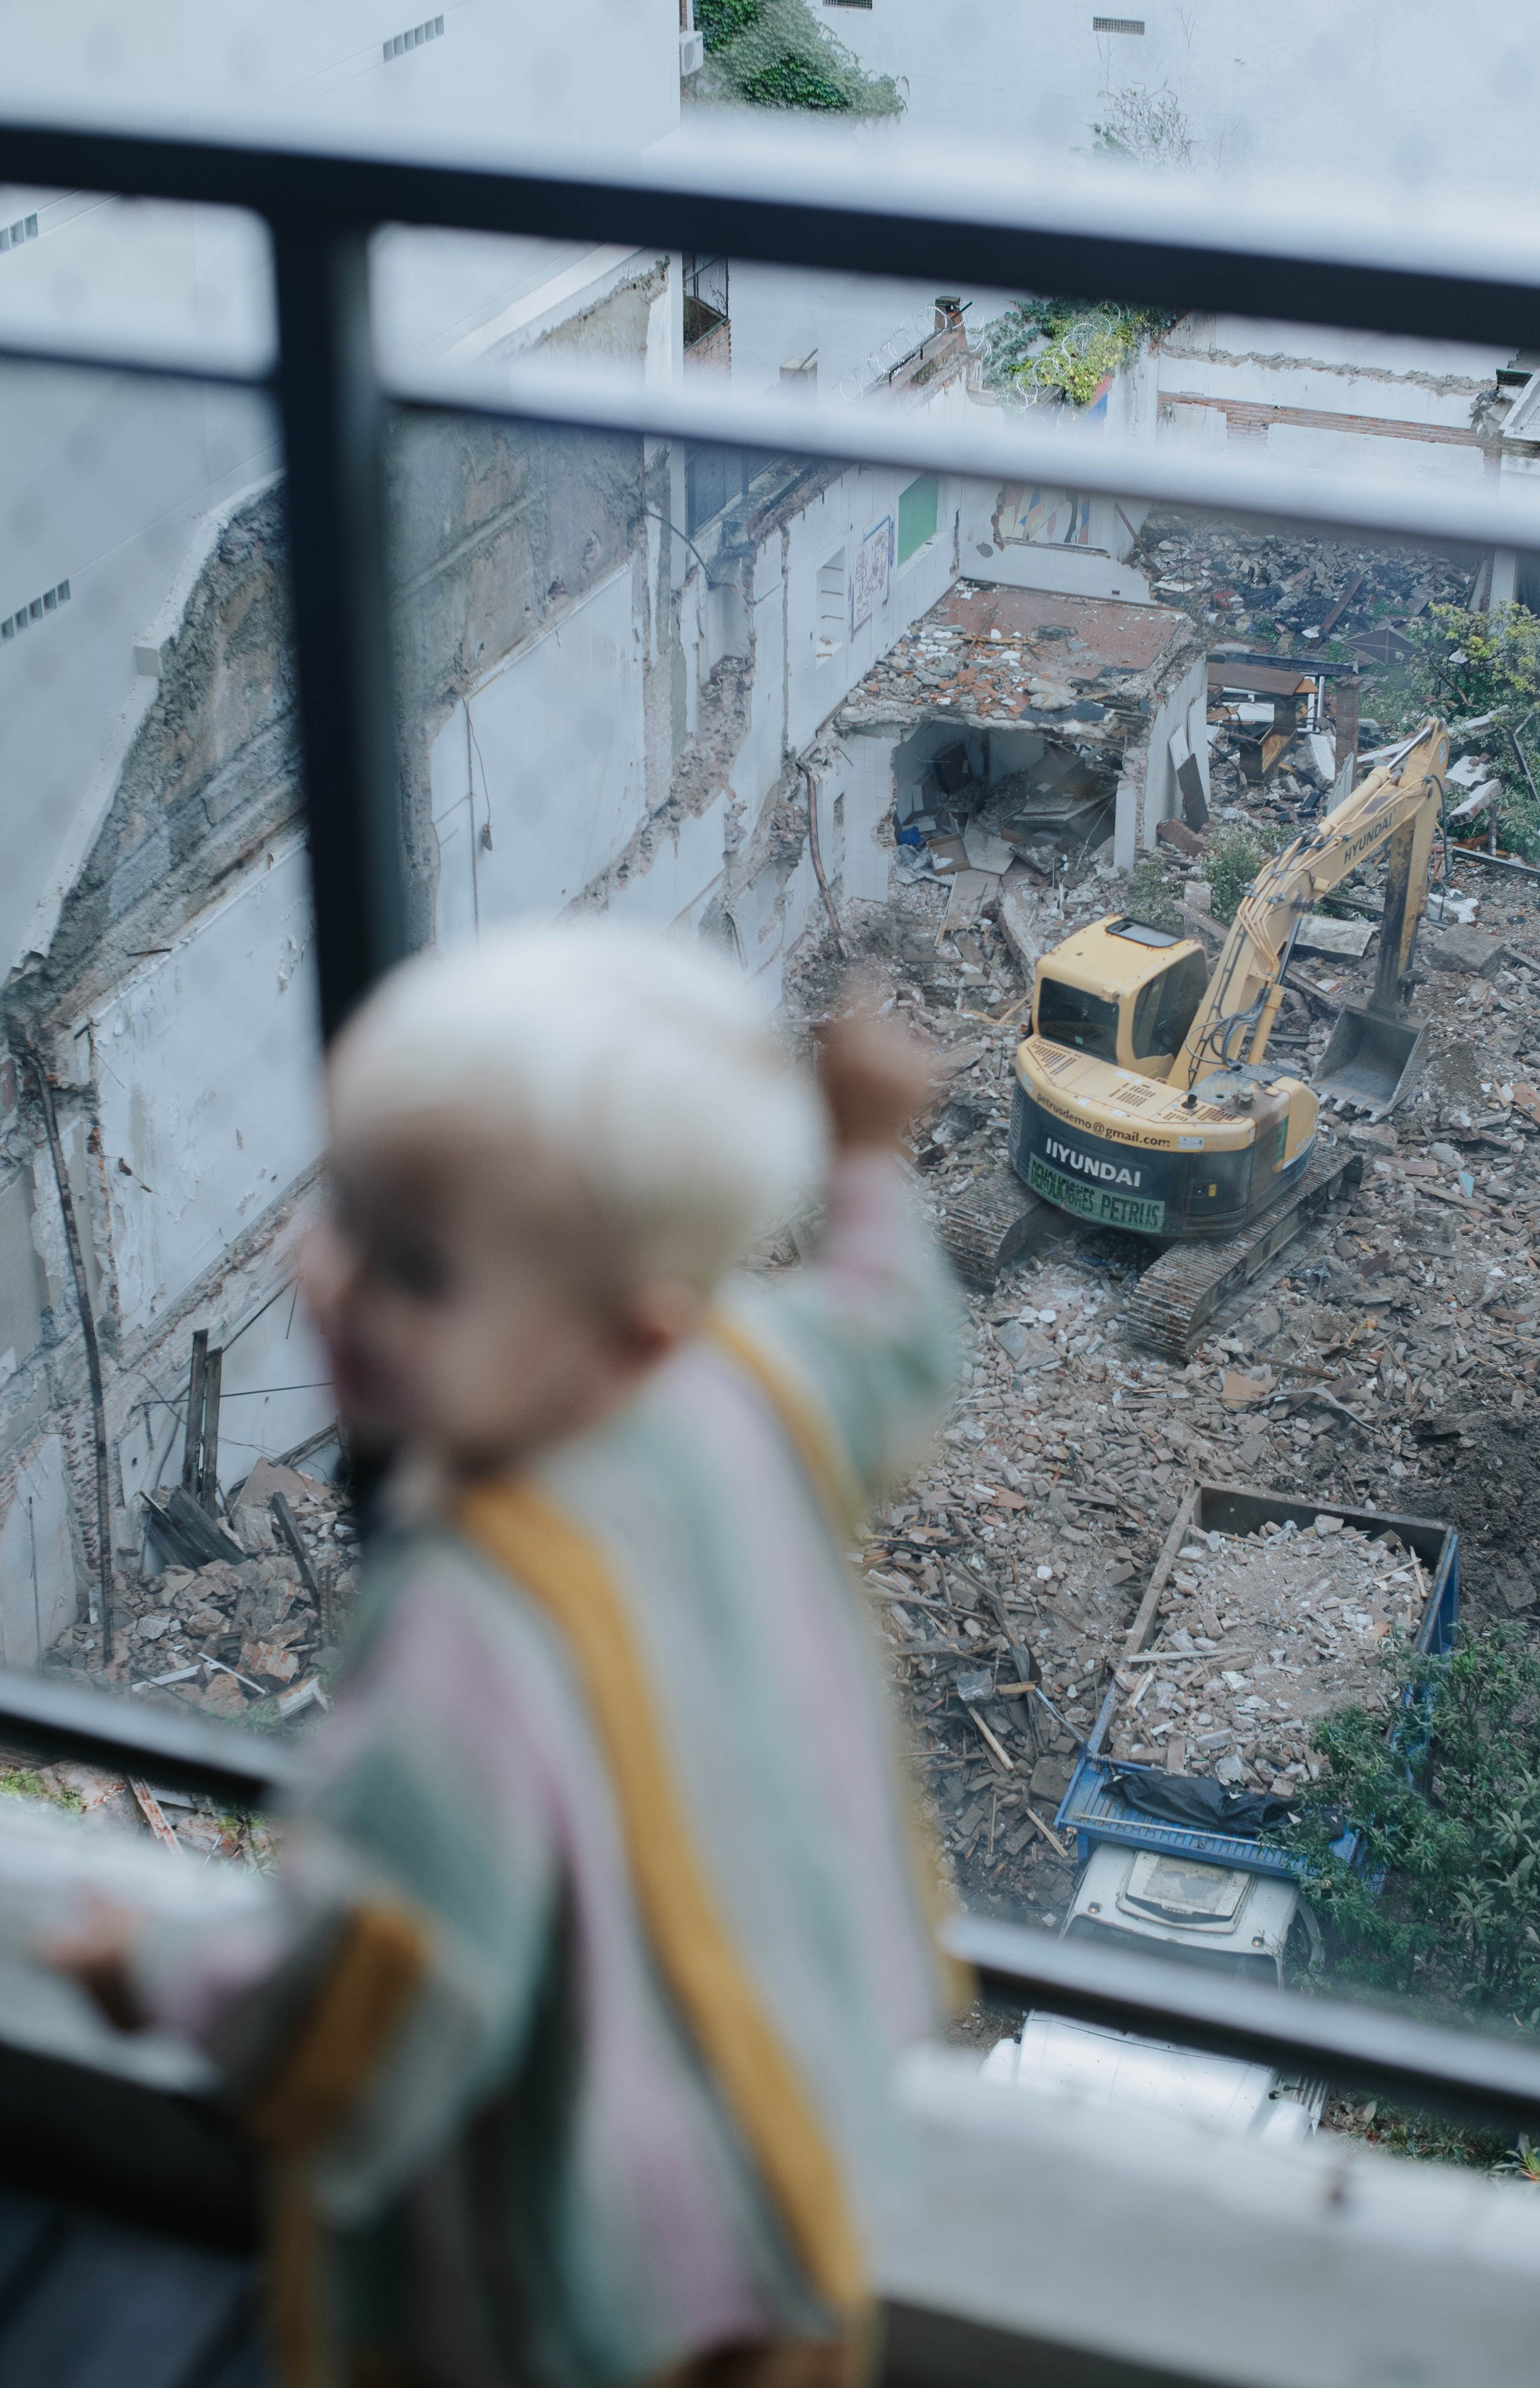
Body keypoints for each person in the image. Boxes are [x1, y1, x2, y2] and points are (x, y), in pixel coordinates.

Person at [57, 924, 962, 2388]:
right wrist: (864, 1156)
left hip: (573, 2282)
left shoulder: (462, 1640)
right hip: (784, 2149)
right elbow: (892, 1335)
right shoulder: (744, 1384)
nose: (329, 1277)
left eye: (413, 1265)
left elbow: (374, 1995)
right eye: (343, 1204)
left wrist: (156, 1970)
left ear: (623, 1343)